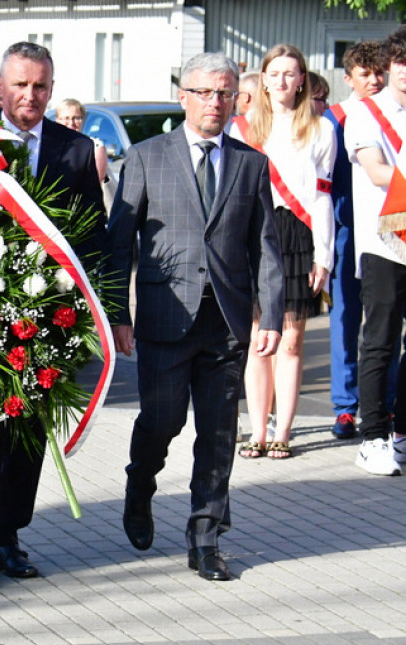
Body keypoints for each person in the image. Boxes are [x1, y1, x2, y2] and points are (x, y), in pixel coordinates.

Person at [107, 52, 283, 581]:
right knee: (162, 423)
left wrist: (270, 314)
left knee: (219, 435)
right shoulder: (145, 158)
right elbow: (119, 245)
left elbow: (266, 247)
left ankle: (205, 538)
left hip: (226, 324)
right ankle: (140, 488)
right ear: (183, 96)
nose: (215, 101)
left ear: (236, 99)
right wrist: (118, 313)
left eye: (225, 92)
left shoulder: (251, 163)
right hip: (165, 317)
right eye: (204, 92)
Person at [0, 41, 106, 590]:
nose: (31, 95)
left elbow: (92, 234)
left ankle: (8, 536)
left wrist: (96, 313)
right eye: (19, 84)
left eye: (41, 85)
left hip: (48, 318)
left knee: (28, 431)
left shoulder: (75, 149)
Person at [230, 44, 335, 460]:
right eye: (274, 73)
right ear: (263, 78)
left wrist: (323, 255)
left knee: (290, 341)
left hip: (298, 236)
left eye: (291, 73)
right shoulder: (243, 129)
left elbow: (324, 198)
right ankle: (257, 429)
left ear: (302, 80)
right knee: (259, 340)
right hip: (254, 234)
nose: (282, 81)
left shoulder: (321, 129)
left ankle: (283, 431)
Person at [345, 31, 406, 476]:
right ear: (388, 66)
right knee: (380, 340)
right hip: (384, 240)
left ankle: (401, 431)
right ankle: (372, 436)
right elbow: (376, 170)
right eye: (400, 63)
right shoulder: (365, 115)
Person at [326, 41, 388, 440]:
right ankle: (346, 407)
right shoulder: (335, 119)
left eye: (379, 72)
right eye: (365, 74)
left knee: (385, 322)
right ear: (348, 79)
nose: (374, 80)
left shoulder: (394, 115)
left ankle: (387, 402)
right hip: (346, 231)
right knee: (346, 318)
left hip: (387, 230)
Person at [55, 98, 109, 183]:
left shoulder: (94, 146)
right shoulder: (50, 145)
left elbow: (95, 183)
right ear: (57, 120)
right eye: (66, 118)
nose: (71, 123)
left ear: (83, 120)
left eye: (76, 118)